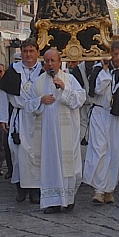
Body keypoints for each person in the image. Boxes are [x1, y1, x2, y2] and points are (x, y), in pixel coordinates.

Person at [29, 47, 86, 213]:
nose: (49, 64)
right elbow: (28, 105)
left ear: (60, 63)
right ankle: (52, 202)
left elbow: (80, 99)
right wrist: (40, 100)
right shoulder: (38, 82)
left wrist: (64, 89)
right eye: (46, 61)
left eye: (53, 60)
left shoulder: (68, 79)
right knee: (50, 165)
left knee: (69, 166)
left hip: (66, 133)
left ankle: (68, 199)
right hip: (47, 135)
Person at [84, 40, 119, 204]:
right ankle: (98, 189)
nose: (117, 58)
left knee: (115, 152)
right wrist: (104, 71)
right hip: (100, 114)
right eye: (114, 54)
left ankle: (109, 188)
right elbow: (96, 90)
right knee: (99, 149)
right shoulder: (98, 70)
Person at [0, 38, 45, 204]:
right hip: (20, 117)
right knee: (19, 154)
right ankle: (20, 187)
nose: (28, 55)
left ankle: (35, 190)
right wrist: (3, 118)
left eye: (32, 51)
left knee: (37, 155)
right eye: (25, 51)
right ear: (21, 52)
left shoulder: (44, 71)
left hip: (38, 118)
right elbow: (4, 95)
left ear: (37, 53)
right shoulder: (13, 71)